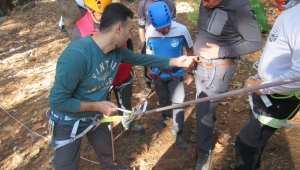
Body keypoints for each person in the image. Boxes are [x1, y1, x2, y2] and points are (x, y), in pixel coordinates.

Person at [48, 3, 194, 170]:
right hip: (69, 121)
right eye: (129, 29)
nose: (130, 35)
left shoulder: (117, 51)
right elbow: (58, 101)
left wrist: (176, 61)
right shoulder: (77, 55)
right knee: (66, 165)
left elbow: (144, 59)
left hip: (97, 115)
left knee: (106, 151)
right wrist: (97, 105)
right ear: (118, 29)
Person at [191, 0, 263, 169]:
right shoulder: (206, 2)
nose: (205, 4)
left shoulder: (240, 8)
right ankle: (206, 132)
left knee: (204, 111)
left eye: (209, 0)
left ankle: (204, 152)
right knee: (204, 107)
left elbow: (256, 42)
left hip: (218, 69)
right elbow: (204, 31)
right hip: (200, 65)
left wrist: (221, 52)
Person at [230, 1, 300, 170]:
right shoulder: (290, 13)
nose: (268, 1)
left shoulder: (297, 19)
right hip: (268, 92)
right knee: (251, 143)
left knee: (246, 145)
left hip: (276, 99)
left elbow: (298, 76)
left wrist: (264, 87)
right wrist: (260, 76)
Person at [72, 0, 144, 133]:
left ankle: (127, 120)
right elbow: (78, 58)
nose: (106, 15)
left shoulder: (117, 17)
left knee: (125, 99)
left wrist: (130, 62)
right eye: (101, 13)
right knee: (102, 103)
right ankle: (104, 127)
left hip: (122, 70)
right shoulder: (80, 29)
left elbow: (128, 40)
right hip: (99, 78)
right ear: (89, 10)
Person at [145, 1, 194, 149]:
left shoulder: (181, 30)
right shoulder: (150, 31)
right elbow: (149, 51)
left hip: (175, 75)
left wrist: (191, 72)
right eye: (160, 29)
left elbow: (190, 51)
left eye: (166, 26)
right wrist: (148, 69)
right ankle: (165, 115)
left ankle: (178, 132)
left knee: (178, 103)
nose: (164, 30)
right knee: (162, 98)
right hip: (158, 74)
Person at [137, 0, 176, 99]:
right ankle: (148, 85)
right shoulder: (144, 3)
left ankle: (168, 82)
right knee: (148, 63)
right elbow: (141, 24)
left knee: (165, 59)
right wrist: (143, 42)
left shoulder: (169, 3)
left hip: (165, 37)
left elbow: (173, 22)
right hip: (150, 38)